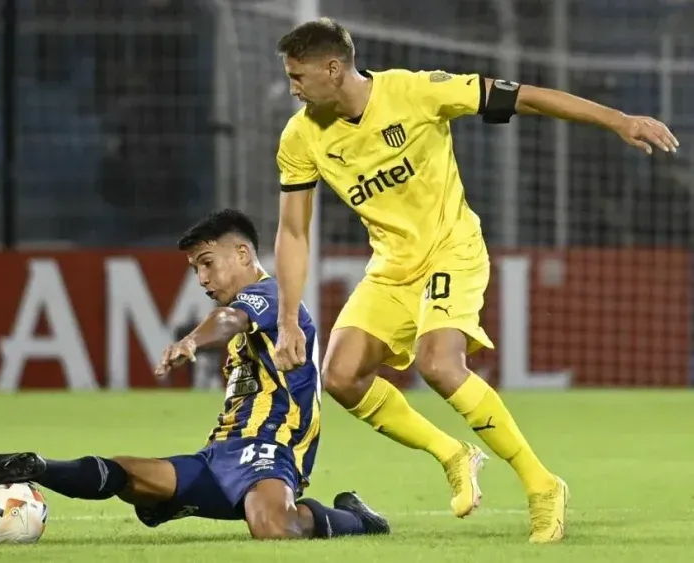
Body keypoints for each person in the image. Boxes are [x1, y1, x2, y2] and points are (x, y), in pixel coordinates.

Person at [271, 18, 678, 544]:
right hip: (391, 267)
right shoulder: (300, 136)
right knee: (343, 376)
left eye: (298, 75)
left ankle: (542, 484)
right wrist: (287, 317)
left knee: (439, 363)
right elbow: (293, 231)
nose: (292, 87)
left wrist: (618, 120)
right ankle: (454, 454)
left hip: (451, 250)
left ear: (334, 68)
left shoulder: (416, 91)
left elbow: (525, 97)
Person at [0, 209, 389, 541]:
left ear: (242, 253)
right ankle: (37, 467)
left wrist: (193, 341)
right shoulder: (249, 328)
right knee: (127, 476)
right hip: (218, 457)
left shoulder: (275, 296)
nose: (201, 278)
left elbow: (230, 319)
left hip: (270, 452)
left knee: (273, 527)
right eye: (195, 269)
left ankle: (356, 519)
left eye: (206, 263)